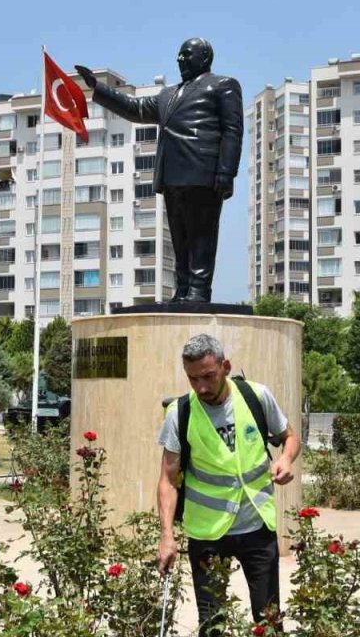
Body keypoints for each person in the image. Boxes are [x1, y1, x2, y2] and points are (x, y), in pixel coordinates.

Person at [74, 38, 242, 303]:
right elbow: (137, 109)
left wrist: (226, 172)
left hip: (203, 172)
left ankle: (199, 290)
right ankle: (184, 288)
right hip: (172, 174)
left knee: (202, 235)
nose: (180, 59)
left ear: (205, 56)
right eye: (178, 55)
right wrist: (99, 88)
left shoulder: (223, 85)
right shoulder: (168, 94)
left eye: (186, 54)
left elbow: (233, 131)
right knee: (180, 238)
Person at [156, 333, 301, 635]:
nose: (201, 387)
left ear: (226, 366)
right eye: (193, 379)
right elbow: (168, 479)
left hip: (257, 528)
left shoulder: (256, 396)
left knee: (269, 622)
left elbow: (290, 437)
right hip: (207, 534)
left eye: (208, 376)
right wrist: (167, 535)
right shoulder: (179, 414)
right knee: (213, 626)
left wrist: (286, 460)